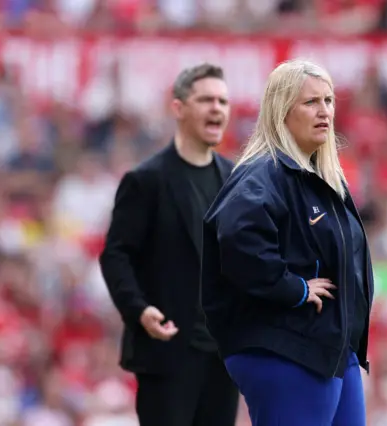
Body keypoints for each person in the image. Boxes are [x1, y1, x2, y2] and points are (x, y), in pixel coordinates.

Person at [202, 58, 373, 426]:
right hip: (286, 346)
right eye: (310, 102)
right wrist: (291, 289)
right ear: (281, 110)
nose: (324, 110)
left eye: (328, 101)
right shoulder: (263, 174)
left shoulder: (322, 180)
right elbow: (237, 238)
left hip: (331, 349)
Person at [99, 63, 239, 426]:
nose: (217, 109)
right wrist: (138, 308)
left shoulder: (236, 179)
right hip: (168, 352)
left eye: (223, 101)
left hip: (223, 356)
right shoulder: (146, 181)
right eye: (206, 99)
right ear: (178, 108)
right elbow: (116, 254)